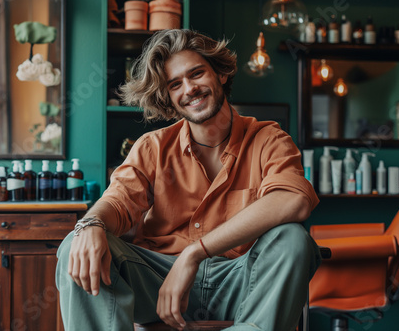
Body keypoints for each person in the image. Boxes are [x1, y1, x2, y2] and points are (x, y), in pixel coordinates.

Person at [56, 29, 320, 331]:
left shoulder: (268, 139)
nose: (189, 89)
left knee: (293, 239)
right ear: (168, 97)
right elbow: (117, 202)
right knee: (75, 246)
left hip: (240, 282)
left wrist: (194, 253)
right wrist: (91, 225)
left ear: (220, 74)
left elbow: (293, 199)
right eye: (175, 84)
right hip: (158, 285)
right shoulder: (152, 147)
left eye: (196, 74)